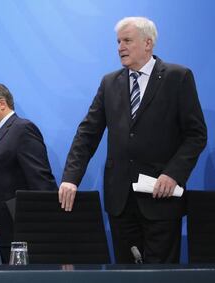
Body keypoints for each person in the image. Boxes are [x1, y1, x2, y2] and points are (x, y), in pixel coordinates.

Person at [58, 17, 207, 263]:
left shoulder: (177, 77)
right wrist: (71, 179)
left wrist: (173, 174)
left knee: (160, 278)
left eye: (127, 41)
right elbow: (87, 134)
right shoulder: (109, 83)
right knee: (125, 275)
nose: (120, 47)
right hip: (120, 202)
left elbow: (196, 134)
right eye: (118, 42)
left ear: (148, 43)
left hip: (160, 198)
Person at [0, 83, 57, 263]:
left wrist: (50, 226)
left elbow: (40, 179)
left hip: (13, 234)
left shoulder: (22, 129)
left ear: (2, 103)